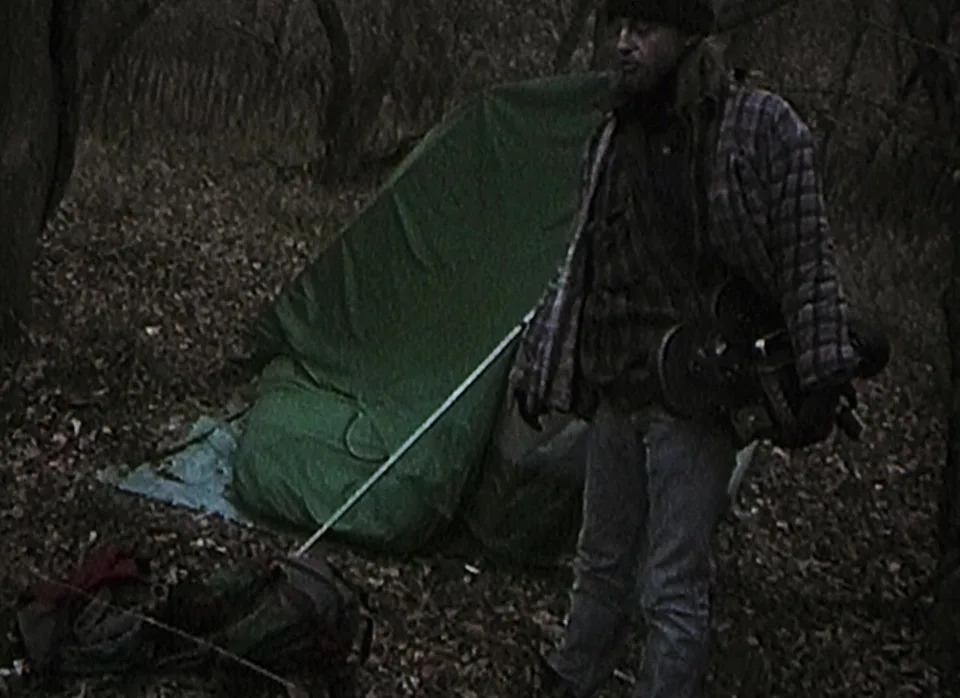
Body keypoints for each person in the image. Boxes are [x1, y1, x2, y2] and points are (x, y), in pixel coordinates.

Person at [509, 1, 865, 696]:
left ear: (685, 38)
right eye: (621, 28)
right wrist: (539, 362)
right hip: (617, 381)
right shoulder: (613, 133)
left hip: (695, 394)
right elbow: (581, 258)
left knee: (671, 587)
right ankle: (571, 680)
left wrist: (822, 369)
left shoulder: (750, 128)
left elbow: (804, 253)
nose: (625, 44)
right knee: (601, 562)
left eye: (643, 30)